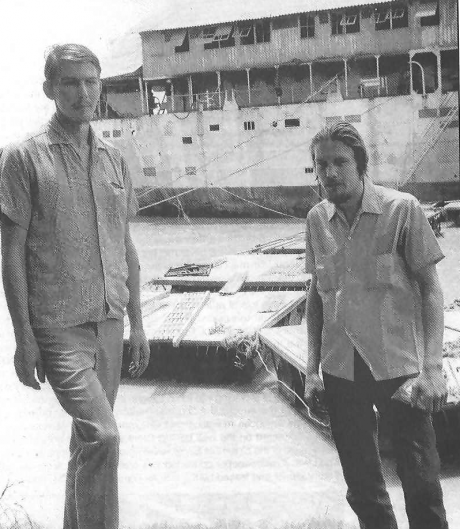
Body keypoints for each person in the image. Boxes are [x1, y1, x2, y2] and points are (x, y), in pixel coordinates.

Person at [0, 44, 150, 529]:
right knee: (104, 436)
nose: (83, 92)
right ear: (50, 89)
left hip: (109, 319)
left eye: (91, 81)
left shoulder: (113, 159)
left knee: (86, 443)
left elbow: (124, 244)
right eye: (70, 82)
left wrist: (139, 323)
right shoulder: (22, 159)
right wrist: (23, 338)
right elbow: (12, 254)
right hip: (59, 326)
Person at [303, 122, 449, 529]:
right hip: (340, 370)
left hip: (399, 368)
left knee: (420, 480)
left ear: (361, 164)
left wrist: (433, 367)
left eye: (340, 162)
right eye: (321, 164)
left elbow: (431, 291)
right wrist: (312, 369)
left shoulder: (403, 210)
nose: (330, 173)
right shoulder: (316, 219)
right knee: (362, 485)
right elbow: (316, 296)